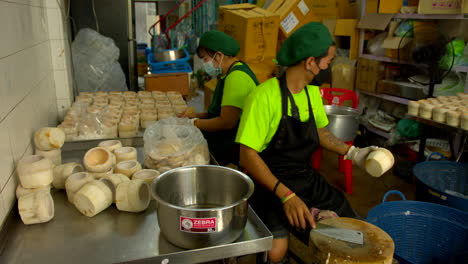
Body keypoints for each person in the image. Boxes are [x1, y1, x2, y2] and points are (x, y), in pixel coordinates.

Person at [235, 22, 389, 263]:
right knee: (276, 252)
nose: (329, 65)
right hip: (269, 184)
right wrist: (287, 196)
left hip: (305, 178)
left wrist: (353, 153)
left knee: (356, 233)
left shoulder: (311, 94)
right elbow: (247, 155)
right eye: (327, 60)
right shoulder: (263, 97)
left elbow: (322, 134)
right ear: (310, 62)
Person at [183, 30, 259, 165]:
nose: (205, 64)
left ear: (218, 55)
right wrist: (197, 115)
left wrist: (194, 123)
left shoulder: (237, 78)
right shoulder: (226, 75)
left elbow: (226, 122)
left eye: (205, 59)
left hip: (234, 149)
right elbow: (218, 111)